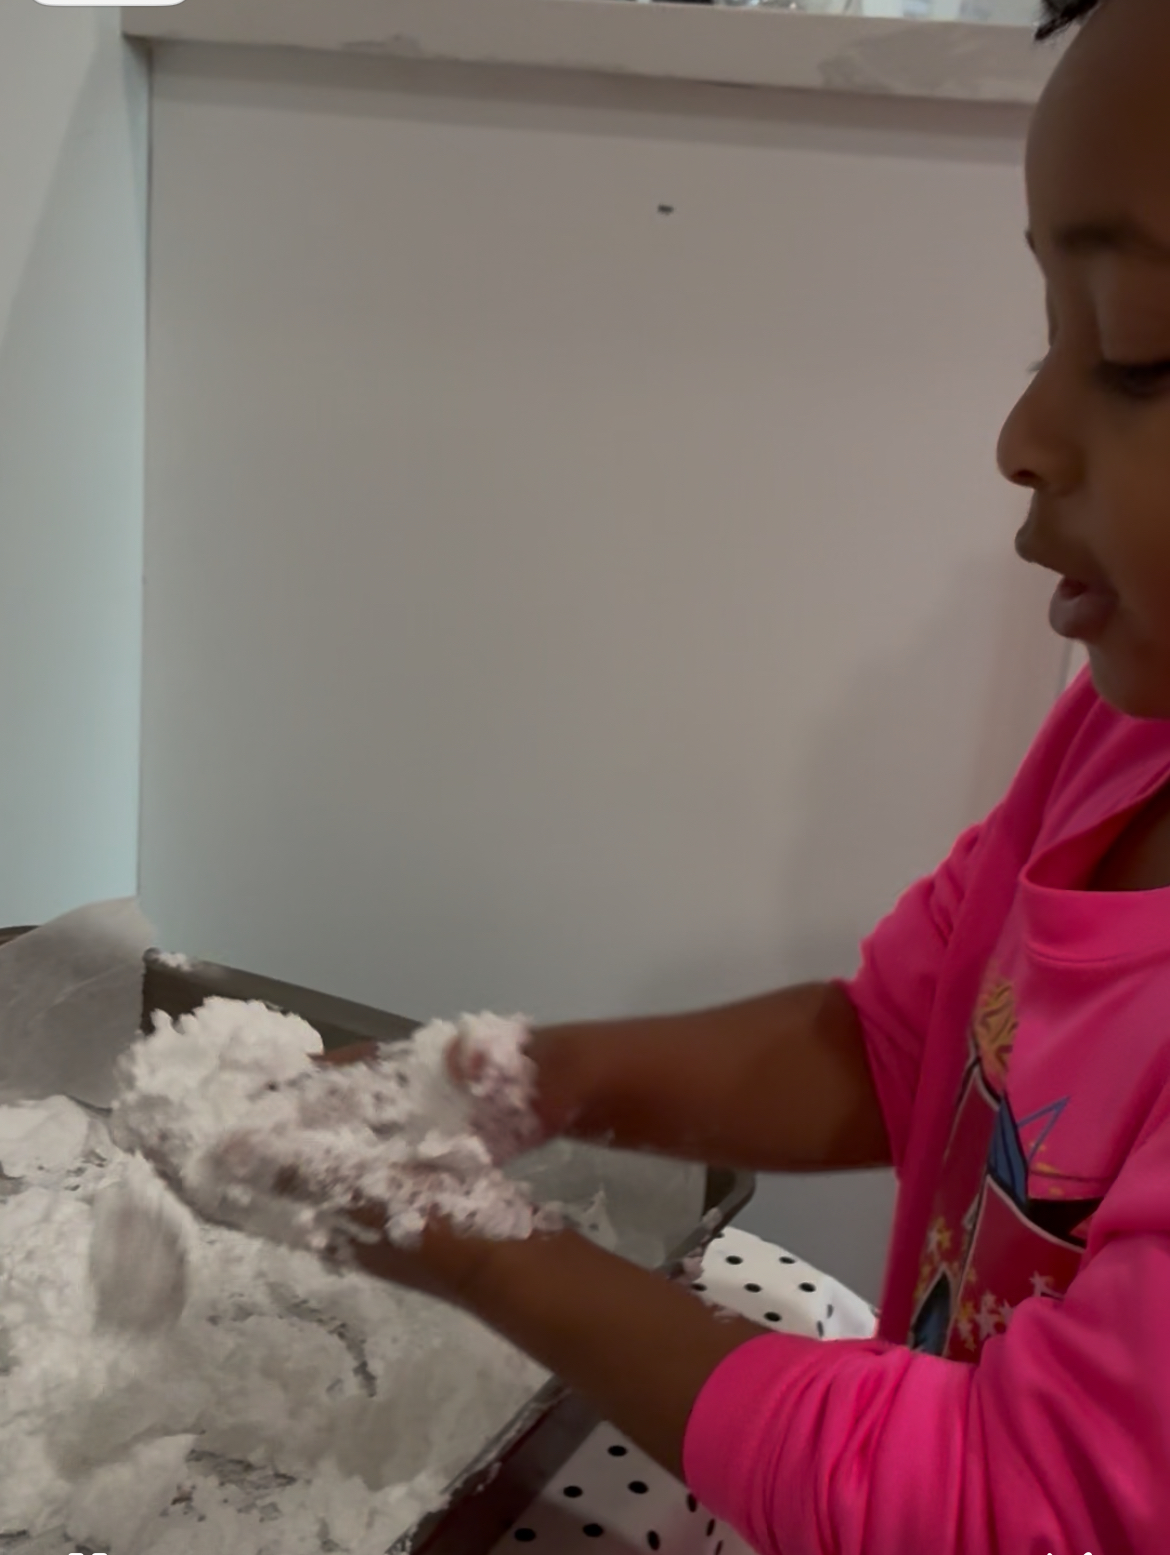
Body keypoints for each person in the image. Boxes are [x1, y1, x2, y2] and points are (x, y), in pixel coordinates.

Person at [325, 1, 1170, 1548]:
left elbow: (999, 1502)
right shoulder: (1126, 738)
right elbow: (889, 1052)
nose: (1022, 432)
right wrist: (522, 1082)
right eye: (1050, 328)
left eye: (1133, 353)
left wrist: (476, 1244)